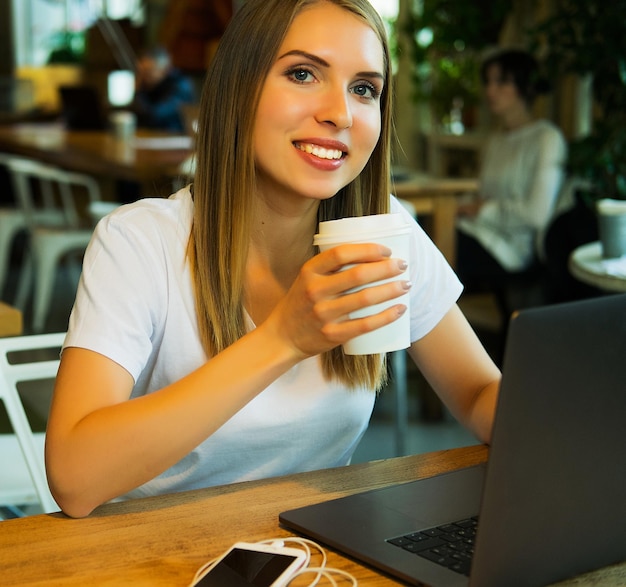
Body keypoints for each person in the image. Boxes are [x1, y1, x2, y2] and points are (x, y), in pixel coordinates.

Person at [45, 0, 501, 519]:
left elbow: (478, 391)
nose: (340, 113)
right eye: (303, 74)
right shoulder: (140, 242)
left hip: (319, 554)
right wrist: (283, 338)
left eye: (364, 89)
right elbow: (74, 479)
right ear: (239, 88)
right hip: (155, 554)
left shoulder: (381, 230)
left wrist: (565, 416)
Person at [455, 49, 567, 287]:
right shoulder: (496, 140)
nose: (490, 90)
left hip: (510, 250)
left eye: (501, 81)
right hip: (475, 232)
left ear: (524, 86)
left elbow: (536, 215)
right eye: (488, 81)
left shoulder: (547, 138)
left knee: (430, 253)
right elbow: (480, 193)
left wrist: (482, 209)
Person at [132, 45, 196, 132]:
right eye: (140, 72)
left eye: (148, 72)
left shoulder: (180, 86)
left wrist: (138, 92)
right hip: (152, 138)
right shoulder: (150, 86)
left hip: (176, 140)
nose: (142, 77)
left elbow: (155, 116)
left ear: (165, 69)